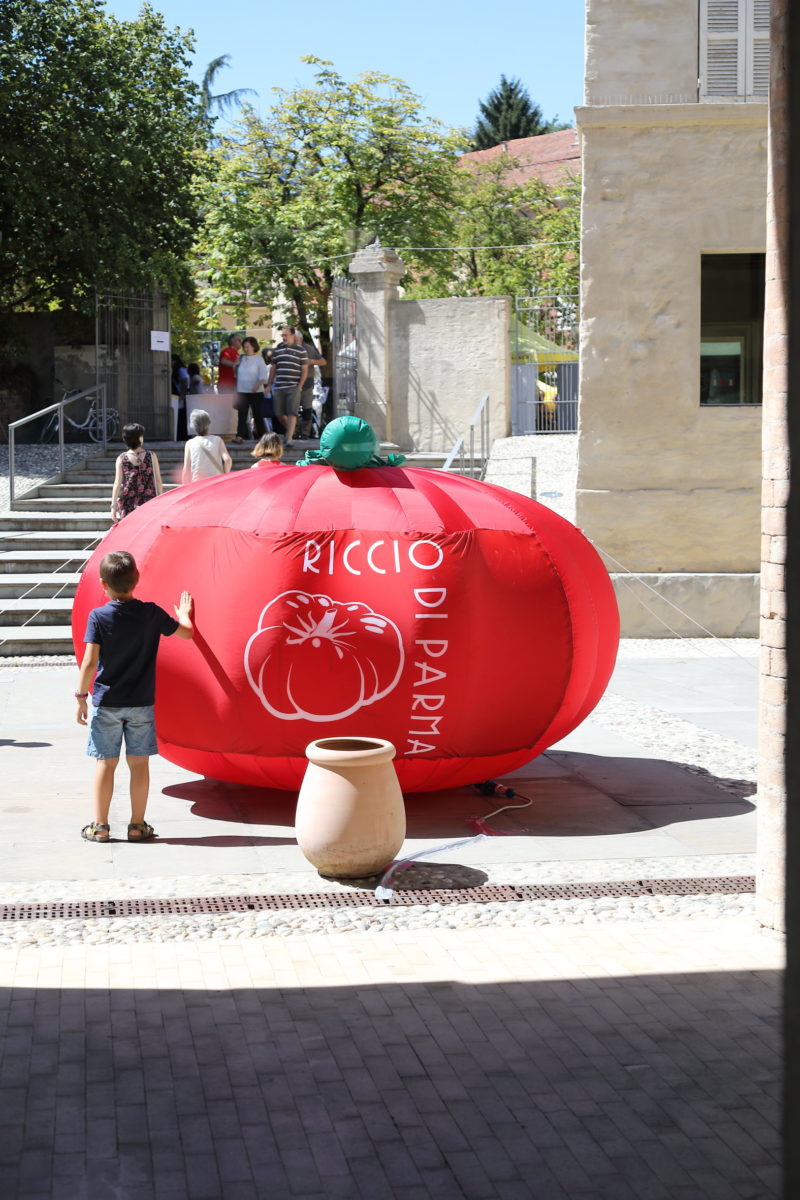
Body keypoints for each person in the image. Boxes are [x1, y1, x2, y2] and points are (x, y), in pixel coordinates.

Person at [75, 550, 194, 843]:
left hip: (107, 702)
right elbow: (187, 634)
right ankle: (138, 826)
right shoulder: (151, 613)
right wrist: (184, 615)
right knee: (139, 764)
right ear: (136, 579)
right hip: (141, 703)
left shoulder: (99, 617)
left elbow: (90, 662)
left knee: (105, 762)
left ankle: (100, 826)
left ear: (104, 584)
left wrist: (80, 695)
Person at [111, 424, 163, 524]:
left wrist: (113, 506)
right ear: (140, 438)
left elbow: (117, 484)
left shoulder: (121, 458)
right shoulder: (151, 455)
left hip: (128, 502)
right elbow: (158, 480)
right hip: (149, 501)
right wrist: (160, 499)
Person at [267, 325, 308, 445]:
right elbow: (273, 369)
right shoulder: (278, 350)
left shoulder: (301, 350)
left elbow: (304, 370)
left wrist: (299, 386)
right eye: (282, 335)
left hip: (293, 386)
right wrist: (269, 384)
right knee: (278, 414)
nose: (284, 337)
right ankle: (292, 429)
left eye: (286, 335)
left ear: (292, 335)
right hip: (279, 386)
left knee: (292, 412)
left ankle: (289, 438)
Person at [233, 335, 269, 443]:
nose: (245, 349)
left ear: (254, 346)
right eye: (244, 346)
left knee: (257, 414)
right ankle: (240, 436)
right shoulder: (241, 358)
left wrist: (257, 386)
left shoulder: (259, 359)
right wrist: (235, 365)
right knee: (242, 414)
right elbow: (235, 375)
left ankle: (262, 436)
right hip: (242, 390)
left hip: (255, 391)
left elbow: (263, 376)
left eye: (247, 346)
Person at [183, 409, 233, 483]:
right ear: (208, 423)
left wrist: (184, 487)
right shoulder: (218, 440)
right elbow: (228, 460)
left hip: (198, 483)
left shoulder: (190, 443)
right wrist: (225, 474)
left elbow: (186, 469)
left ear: (193, 425)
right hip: (216, 482)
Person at [294, 329, 327, 438]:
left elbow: (323, 361)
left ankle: (305, 433)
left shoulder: (309, 349)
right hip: (292, 384)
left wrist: (311, 361)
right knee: (293, 409)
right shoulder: (289, 349)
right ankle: (294, 432)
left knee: (307, 409)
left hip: (307, 384)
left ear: (299, 338)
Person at [171, 355, 190, 440]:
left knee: (181, 416)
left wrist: (182, 395)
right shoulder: (176, 370)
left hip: (181, 396)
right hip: (179, 396)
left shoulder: (180, 370)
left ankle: (182, 435)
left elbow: (185, 381)